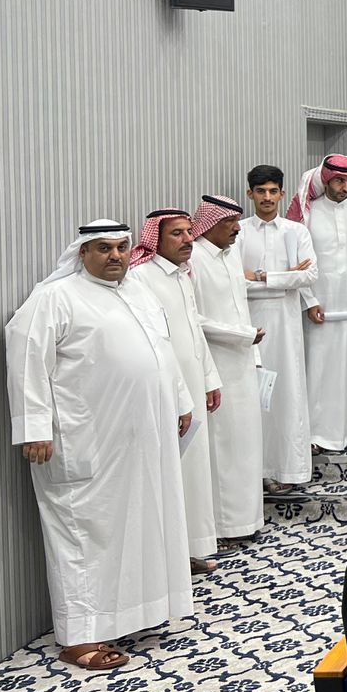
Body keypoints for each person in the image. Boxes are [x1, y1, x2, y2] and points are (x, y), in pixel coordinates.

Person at [5, 221, 193, 671]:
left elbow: (162, 351)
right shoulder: (56, 297)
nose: (115, 256)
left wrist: (181, 399)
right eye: (103, 248)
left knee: (136, 527)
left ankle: (131, 615)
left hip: (140, 440)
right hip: (82, 439)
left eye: (122, 247)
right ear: (82, 252)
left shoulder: (136, 293)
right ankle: (79, 637)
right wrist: (34, 426)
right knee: (83, 535)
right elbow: (25, 352)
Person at [128, 209, 223, 573]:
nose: (187, 240)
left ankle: (190, 550)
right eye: (177, 234)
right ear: (156, 239)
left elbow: (194, 331)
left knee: (194, 472)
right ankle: (169, 558)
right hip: (166, 391)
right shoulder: (141, 277)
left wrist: (210, 378)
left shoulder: (183, 274)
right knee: (171, 474)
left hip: (192, 386)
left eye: (188, 233)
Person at [188, 195, 265, 542]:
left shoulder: (230, 254)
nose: (237, 229)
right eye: (229, 223)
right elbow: (194, 319)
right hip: (215, 364)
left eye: (237, 222)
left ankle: (247, 522)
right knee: (223, 447)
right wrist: (242, 336)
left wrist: (254, 352)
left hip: (245, 360)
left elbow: (241, 307)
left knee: (247, 443)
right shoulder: (194, 259)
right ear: (210, 224)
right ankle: (223, 527)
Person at [289, 154, 347, 452]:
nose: (346, 187)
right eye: (339, 181)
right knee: (319, 369)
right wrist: (309, 301)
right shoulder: (309, 213)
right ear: (326, 180)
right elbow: (298, 263)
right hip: (319, 308)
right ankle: (316, 436)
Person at [239, 165, 317, 490]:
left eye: (273, 191)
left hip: (286, 326)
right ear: (250, 194)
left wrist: (260, 277)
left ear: (282, 194)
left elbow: (310, 276)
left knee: (288, 393)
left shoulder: (295, 231)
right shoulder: (239, 232)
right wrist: (285, 278)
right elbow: (234, 284)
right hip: (250, 324)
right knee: (254, 396)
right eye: (261, 192)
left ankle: (289, 471)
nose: (267, 197)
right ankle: (257, 472)